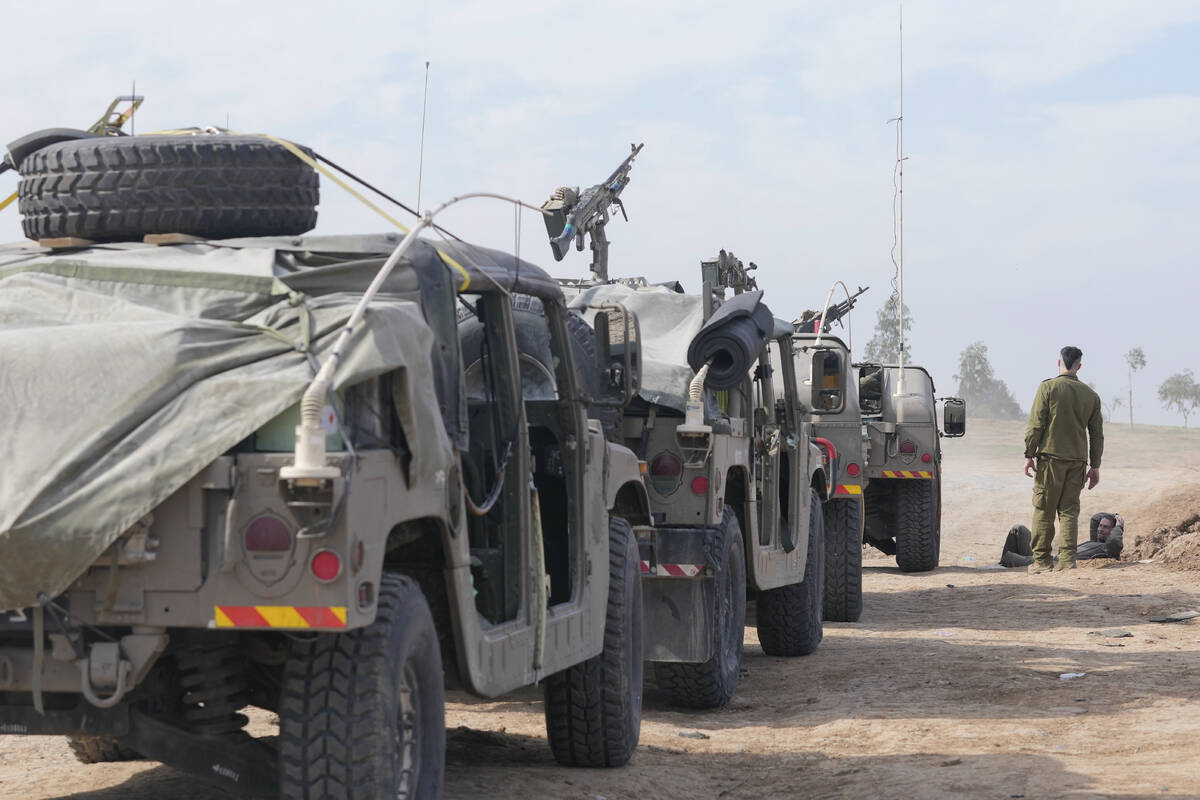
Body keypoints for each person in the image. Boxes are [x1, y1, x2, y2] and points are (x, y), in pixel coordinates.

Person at [1023, 346, 1104, 572]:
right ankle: (1068, 561)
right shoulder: (1091, 396)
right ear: (1079, 366)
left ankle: (1041, 562)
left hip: (1050, 460)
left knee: (1044, 510)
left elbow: (1036, 425)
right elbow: (1096, 434)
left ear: (1058, 363)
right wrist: (1095, 465)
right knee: (1069, 511)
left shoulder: (1048, 388)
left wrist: (1029, 455)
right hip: (1078, 462)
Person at [999, 513, 1123, 567]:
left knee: (1009, 557)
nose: (1100, 529)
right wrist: (1114, 516)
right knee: (1018, 529)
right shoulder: (1096, 541)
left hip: (1051, 563)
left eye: (1105, 527)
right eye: (1100, 526)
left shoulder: (1108, 549)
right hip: (1048, 556)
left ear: (1113, 531)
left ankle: (1001, 567)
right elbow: (1096, 518)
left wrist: (1119, 526)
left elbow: (1116, 542)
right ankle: (1002, 565)